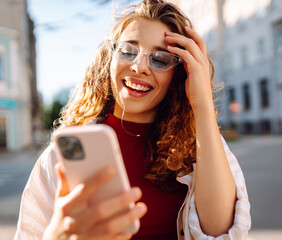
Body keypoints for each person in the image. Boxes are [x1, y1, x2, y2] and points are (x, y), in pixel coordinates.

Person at [15, 0, 251, 239]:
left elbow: (222, 232)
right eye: (128, 51)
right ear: (109, 59)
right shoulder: (64, 154)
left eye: (159, 59)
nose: (139, 67)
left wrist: (201, 103)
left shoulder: (200, 145)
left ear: (179, 75)